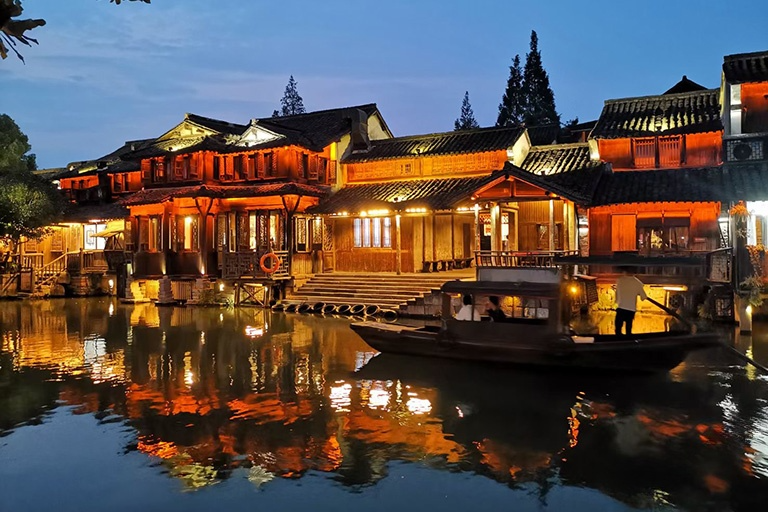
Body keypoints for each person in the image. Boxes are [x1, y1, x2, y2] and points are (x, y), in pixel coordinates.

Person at [615, 267, 647, 335]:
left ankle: (617, 341)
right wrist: (637, 291)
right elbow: (643, 297)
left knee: (618, 329)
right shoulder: (638, 283)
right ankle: (628, 342)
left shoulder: (619, 280)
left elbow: (617, 293)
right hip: (631, 309)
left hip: (621, 308)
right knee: (628, 329)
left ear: (625, 271)